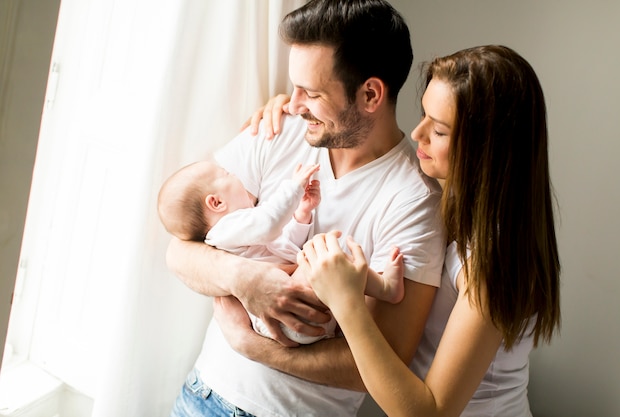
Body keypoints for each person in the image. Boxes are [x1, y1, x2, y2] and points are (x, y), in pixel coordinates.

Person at [165, 1, 446, 416]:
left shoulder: (415, 201)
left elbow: (383, 360)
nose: (293, 104)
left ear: (370, 94)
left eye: (311, 93)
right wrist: (246, 279)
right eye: (295, 88)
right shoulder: (278, 131)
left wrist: (253, 346)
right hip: (201, 397)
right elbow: (180, 250)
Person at [273, 45, 561, 416]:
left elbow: (431, 412)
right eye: (424, 114)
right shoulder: (454, 212)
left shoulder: (493, 261)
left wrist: (346, 304)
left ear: (486, 148)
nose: (417, 132)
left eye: (438, 130)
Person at [157, 160, 405, 344]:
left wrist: (301, 214)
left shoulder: (241, 234)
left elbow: (285, 247)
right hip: (284, 320)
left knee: (322, 258)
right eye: (226, 174)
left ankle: (347, 312)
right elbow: (269, 223)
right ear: (216, 202)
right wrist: (293, 188)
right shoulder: (224, 230)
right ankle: (384, 289)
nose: (235, 174)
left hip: (297, 312)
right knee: (323, 255)